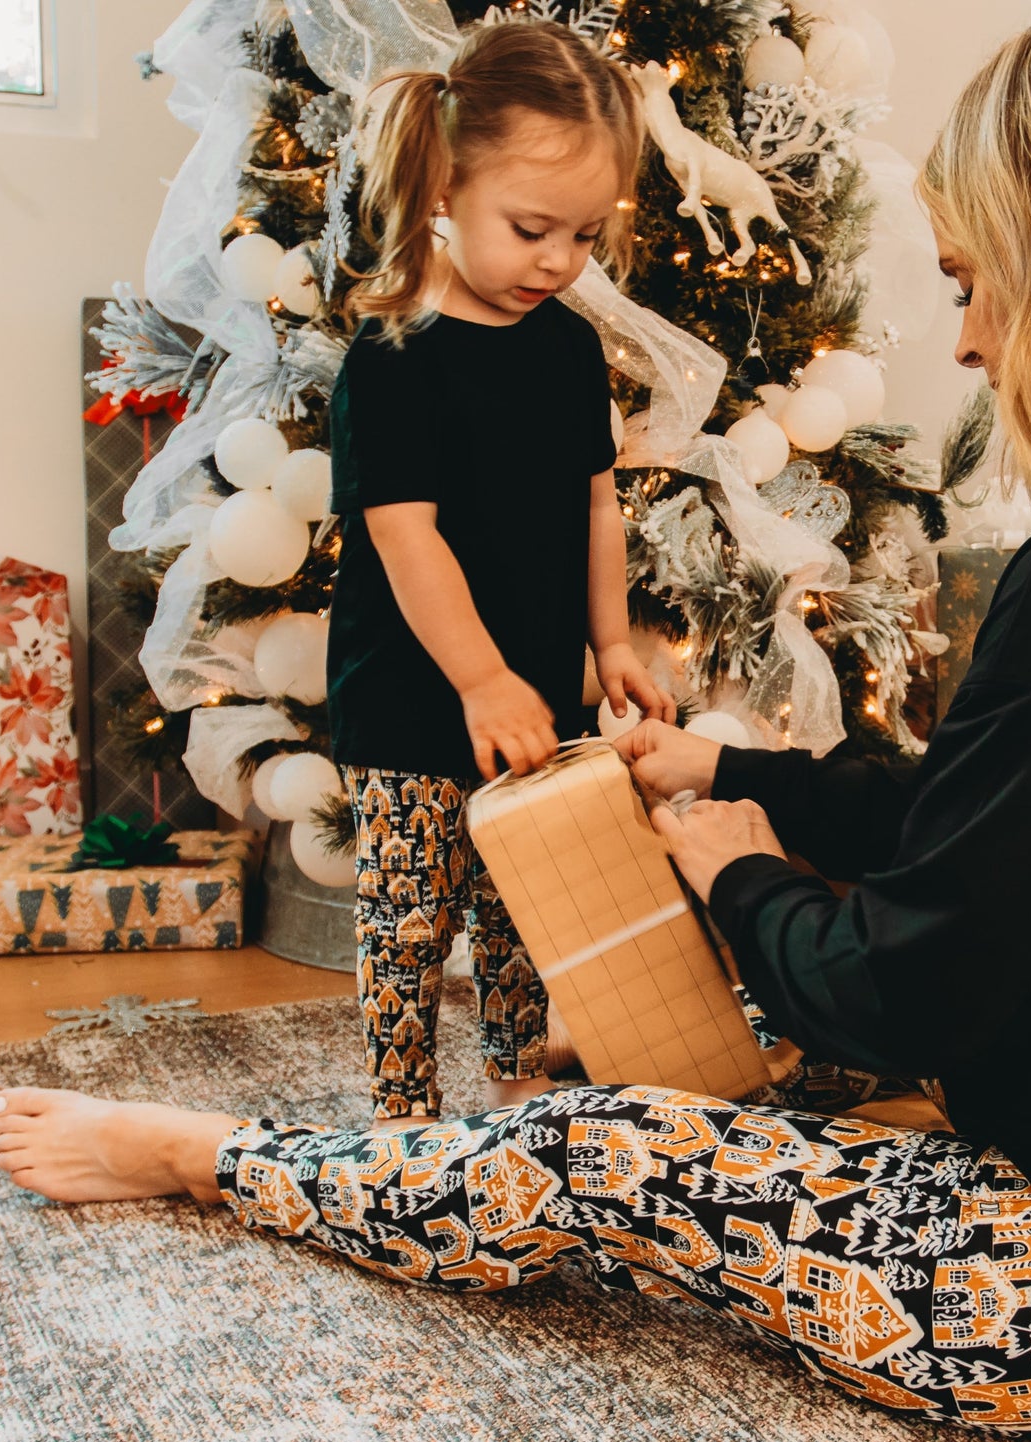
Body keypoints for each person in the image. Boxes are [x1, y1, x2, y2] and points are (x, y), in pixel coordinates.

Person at [0, 11, 1031, 1440]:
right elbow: (995, 808)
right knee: (753, 1027)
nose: (968, 336)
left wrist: (738, 874)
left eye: (971, 283)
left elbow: (905, 987)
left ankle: (211, 1153)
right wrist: (727, 769)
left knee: (595, 1148)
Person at [325, 20, 674, 1125]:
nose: (560, 262)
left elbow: (593, 503)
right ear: (442, 184)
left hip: (533, 688)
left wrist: (611, 643)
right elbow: (403, 535)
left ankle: (521, 1080)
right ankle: (401, 1106)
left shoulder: (568, 346)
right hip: (412, 701)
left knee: (523, 902)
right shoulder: (394, 359)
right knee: (412, 915)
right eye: (531, 229)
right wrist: (479, 679)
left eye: (584, 235)